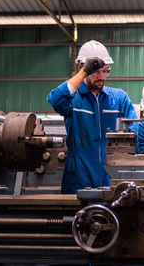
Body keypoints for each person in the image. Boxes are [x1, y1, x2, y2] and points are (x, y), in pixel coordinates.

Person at [47, 40, 137, 194]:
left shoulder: (118, 99)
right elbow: (55, 100)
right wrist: (83, 73)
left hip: (112, 179)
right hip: (78, 178)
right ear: (82, 68)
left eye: (105, 71)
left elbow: (136, 132)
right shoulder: (74, 99)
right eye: (95, 71)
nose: (101, 76)